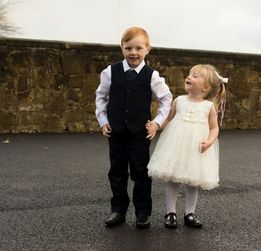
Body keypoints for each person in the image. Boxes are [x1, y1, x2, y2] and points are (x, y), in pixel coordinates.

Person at [95, 27, 172, 229]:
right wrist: (103, 121)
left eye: (139, 48)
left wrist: (156, 123)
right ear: (122, 48)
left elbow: (166, 99)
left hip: (140, 133)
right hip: (116, 132)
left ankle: (143, 212)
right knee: (117, 171)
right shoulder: (109, 72)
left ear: (148, 49)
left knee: (140, 172)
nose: (133, 52)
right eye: (128, 48)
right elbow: (100, 98)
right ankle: (118, 210)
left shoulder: (152, 75)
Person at [146, 64, 228, 229]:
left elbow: (214, 128)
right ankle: (170, 213)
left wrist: (210, 141)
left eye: (195, 76)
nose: (189, 77)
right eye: (190, 74)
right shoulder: (179, 100)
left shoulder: (208, 106)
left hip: (196, 148)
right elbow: (168, 119)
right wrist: (156, 125)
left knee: (193, 181)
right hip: (177, 145)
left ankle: (190, 213)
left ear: (205, 87)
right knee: (173, 180)